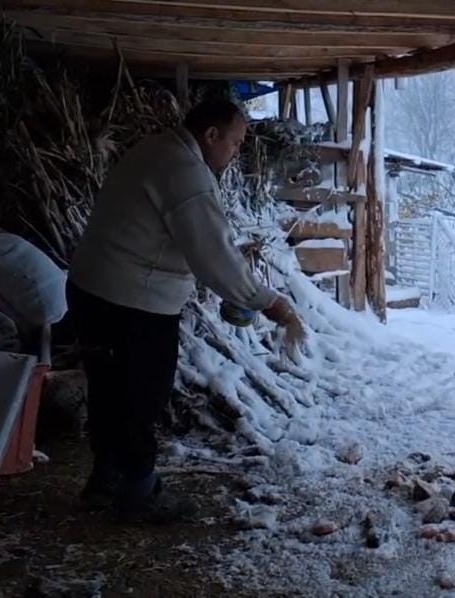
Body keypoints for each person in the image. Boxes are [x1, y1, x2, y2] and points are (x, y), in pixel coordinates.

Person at [67, 98, 303, 523]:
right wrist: (269, 302)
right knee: (141, 397)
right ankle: (137, 492)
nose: (235, 154)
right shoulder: (184, 171)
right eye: (234, 143)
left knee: (108, 390)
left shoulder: (157, 148)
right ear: (210, 135)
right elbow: (214, 254)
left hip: (94, 290)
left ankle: (106, 479)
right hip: (131, 301)